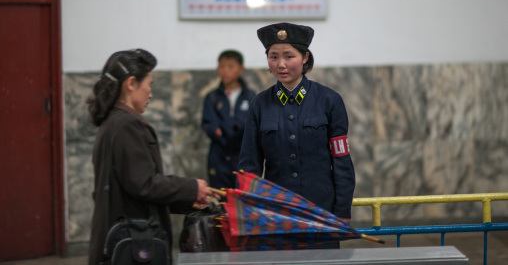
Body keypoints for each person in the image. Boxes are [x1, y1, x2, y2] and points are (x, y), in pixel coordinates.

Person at [87, 49, 216, 265]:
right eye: (149, 84)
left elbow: (134, 186)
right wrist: (191, 188)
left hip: (119, 237)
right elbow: (144, 184)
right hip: (131, 242)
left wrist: (190, 199)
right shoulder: (127, 125)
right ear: (131, 84)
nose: (150, 93)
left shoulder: (113, 122)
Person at [238, 22, 356, 228]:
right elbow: (249, 164)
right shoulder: (260, 103)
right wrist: (248, 208)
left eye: (288, 56)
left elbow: (341, 160)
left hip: (322, 210)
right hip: (276, 212)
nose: (280, 64)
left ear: (305, 57)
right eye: (273, 57)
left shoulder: (329, 100)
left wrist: (342, 209)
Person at [201, 50, 256, 190]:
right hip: (219, 154)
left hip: (242, 154)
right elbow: (208, 122)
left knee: (243, 195)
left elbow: (250, 123)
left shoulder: (250, 96)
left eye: (230, 66)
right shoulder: (212, 97)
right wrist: (216, 130)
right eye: (222, 66)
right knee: (222, 196)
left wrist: (235, 129)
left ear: (241, 69)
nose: (225, 71)